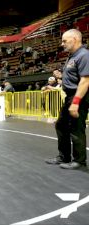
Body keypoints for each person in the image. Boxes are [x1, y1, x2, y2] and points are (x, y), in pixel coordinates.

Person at [45, 29, 89, 170]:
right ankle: (64, 157)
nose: (62, 44)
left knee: (76, 128)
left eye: (65, 41)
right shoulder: (72, 56)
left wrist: (75, 102)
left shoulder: (84, 55)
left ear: (75, 39)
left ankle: (79, 161)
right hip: (70, 96)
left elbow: (85, 81)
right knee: (61, 125)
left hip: (79, 95)